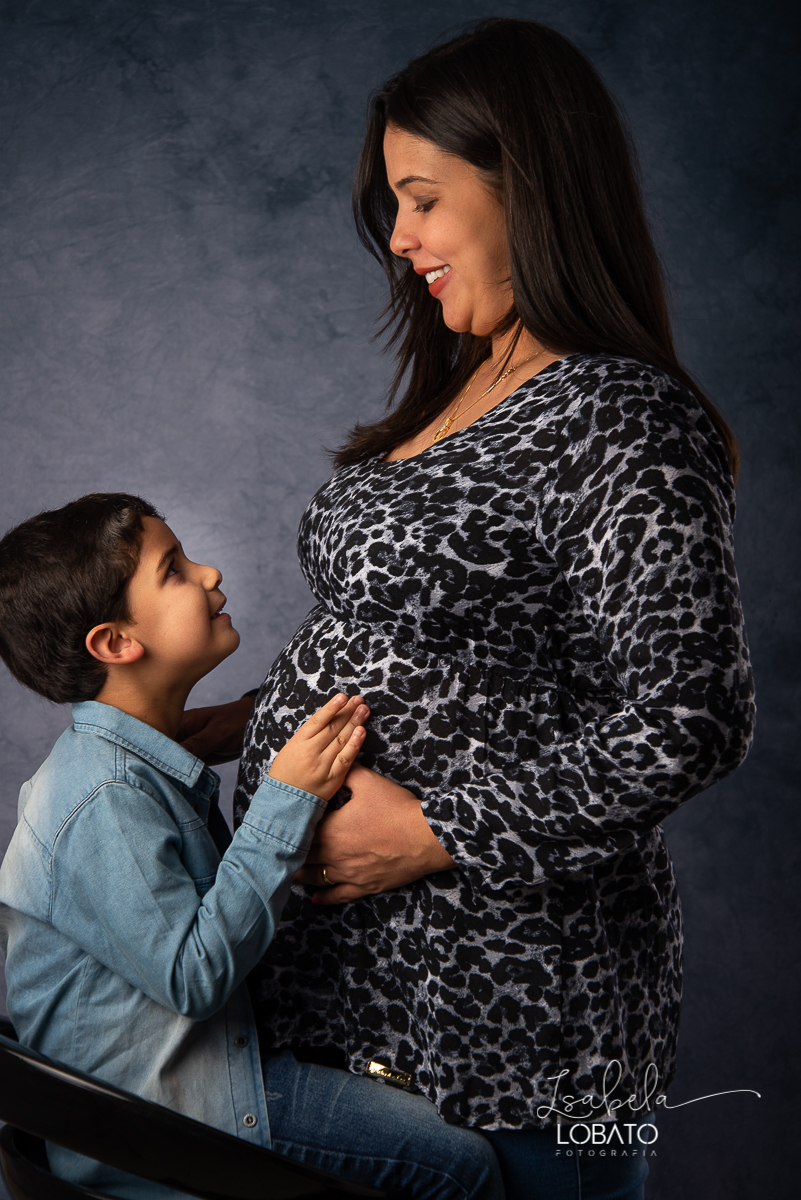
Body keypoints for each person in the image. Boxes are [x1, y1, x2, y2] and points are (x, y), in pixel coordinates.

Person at [181, 18, 756, 1200]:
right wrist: (228, 725)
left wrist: (437, 828)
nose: (399, 239)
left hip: (524, 1012)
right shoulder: (460, 386)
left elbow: (692, 715)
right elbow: (409, 643)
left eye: (424, 199)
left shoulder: (618, 416)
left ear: (527, 187)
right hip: (353, 992)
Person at [0, 493, 505, 1200]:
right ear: (115, 644)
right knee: (459, 1166)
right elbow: (194, 975)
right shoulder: (101, 795)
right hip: (169, 1115)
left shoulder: (125, 764)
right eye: (174, 570)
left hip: (198, 1077)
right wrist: (285, 797)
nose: (208, 574)